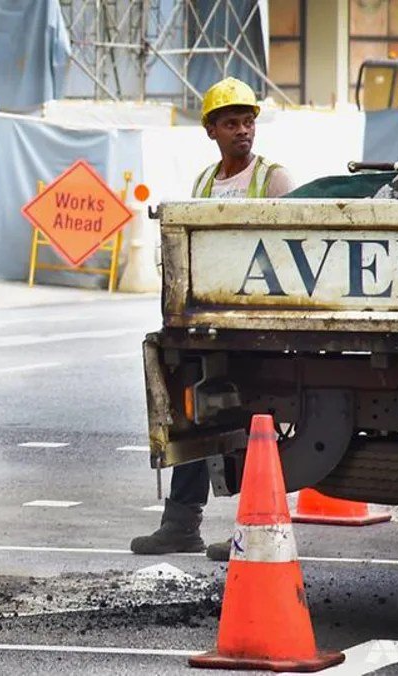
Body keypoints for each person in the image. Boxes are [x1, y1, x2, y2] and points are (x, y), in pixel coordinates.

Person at [131, 77, 294, 561]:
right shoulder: (205, 182)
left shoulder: (274, 179)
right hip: (210, 322)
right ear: (211, 130)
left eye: (248, 122)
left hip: (257, 324)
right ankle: (181, 524)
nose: (242, 131)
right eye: (231, 123)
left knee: (250, 423)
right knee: (195, 418)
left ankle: (254, 528)